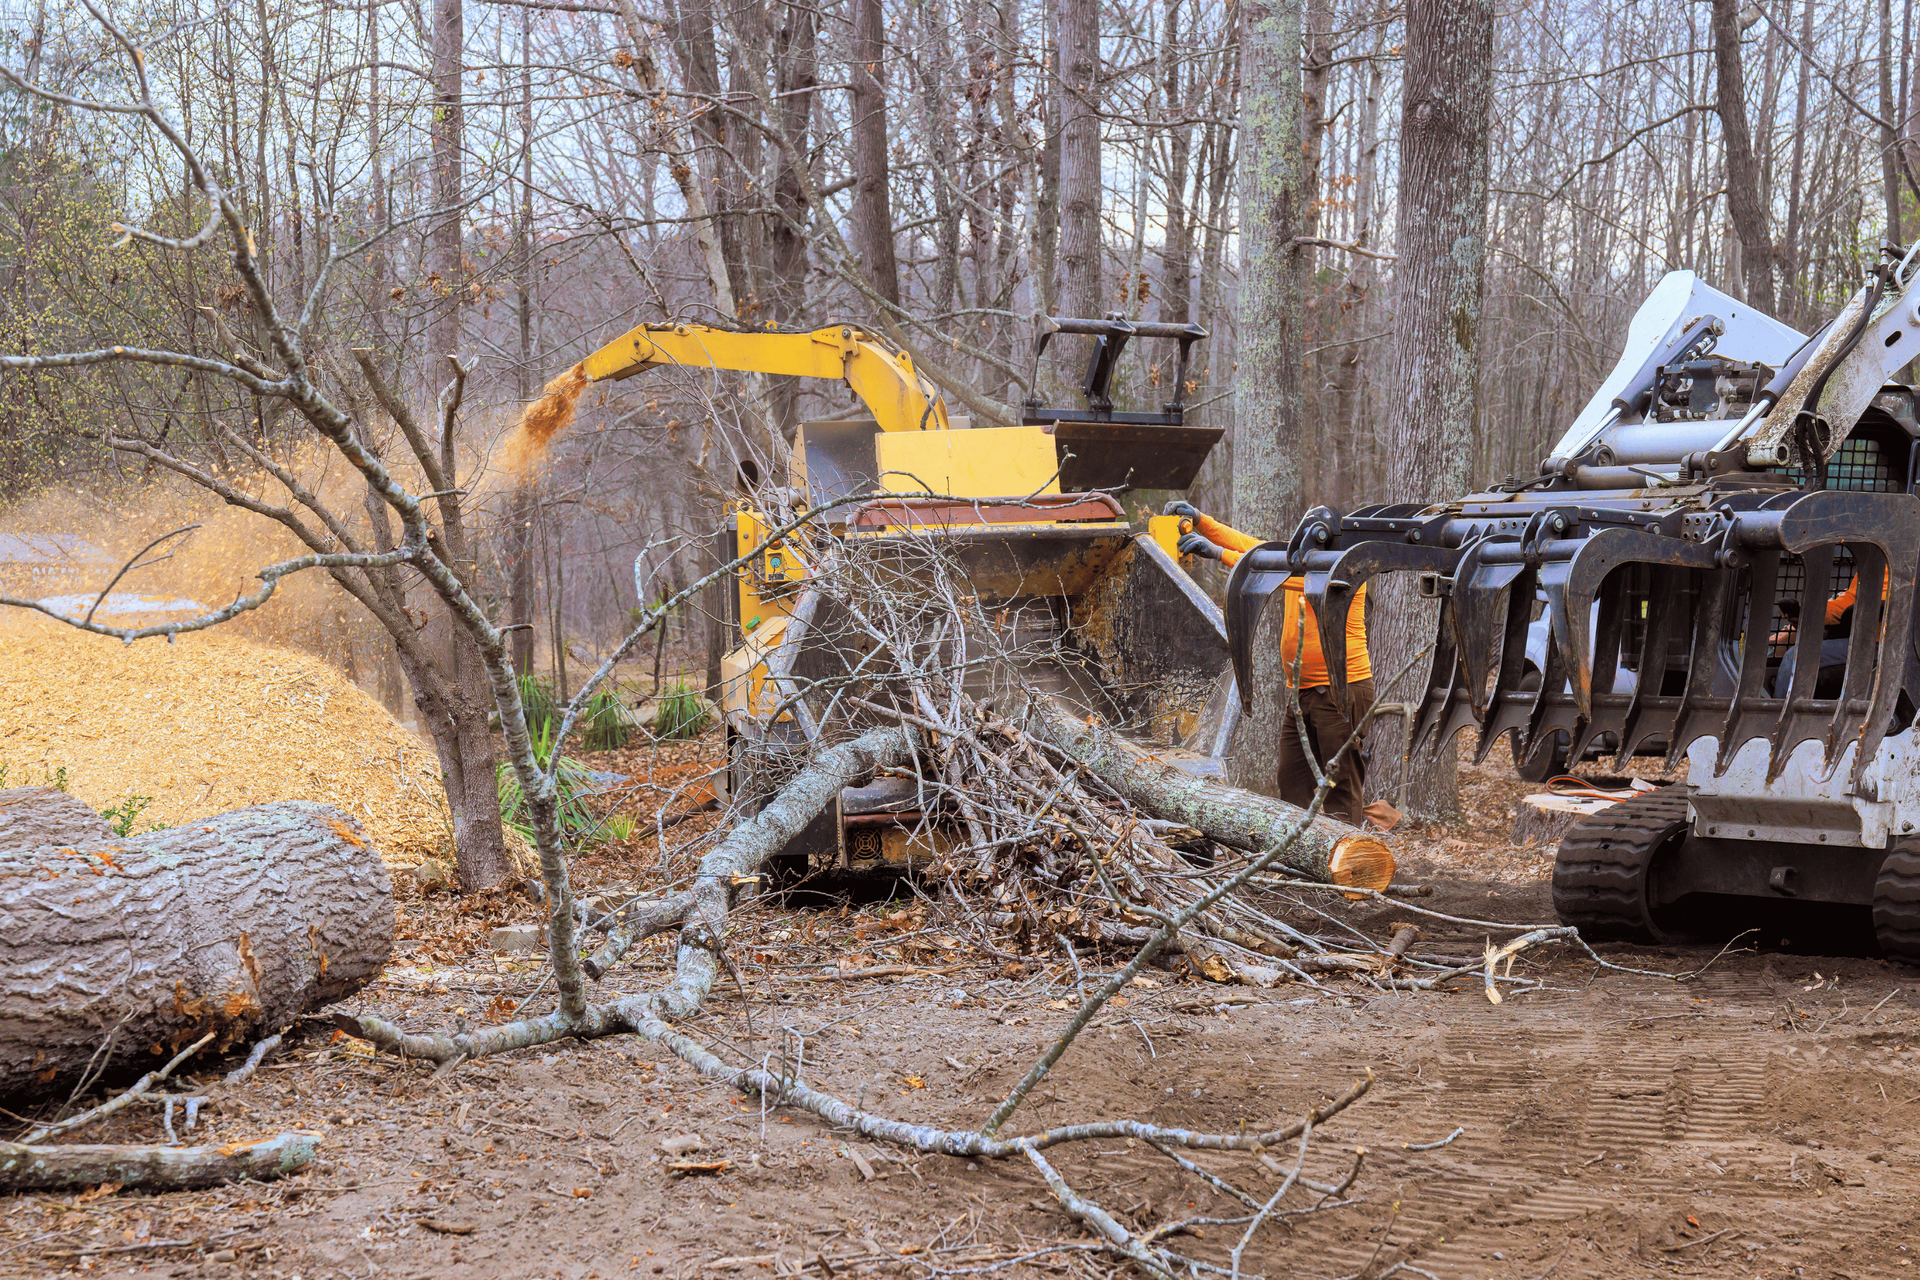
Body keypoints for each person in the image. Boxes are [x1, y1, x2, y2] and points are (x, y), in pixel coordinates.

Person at [1164, 501, 1388, 827]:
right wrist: (1201, 520)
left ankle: (1348, 864)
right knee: (1292, 780)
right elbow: (1248, 547)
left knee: (1342, 786)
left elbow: (1275, 573)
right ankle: (1297, 857)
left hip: (1343, 692)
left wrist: (1215, 554)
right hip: (1302, 693)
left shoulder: (1348, 569)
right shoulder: (1296, 561)